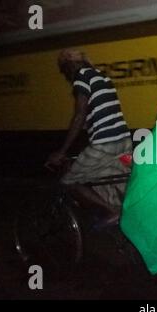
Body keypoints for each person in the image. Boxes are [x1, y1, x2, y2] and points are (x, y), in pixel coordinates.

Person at [45, 48, 132, 227]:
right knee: (107, 180)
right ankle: (125, 215)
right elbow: (96, 117)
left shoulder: (82, 76)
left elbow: (79, 114)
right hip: (123, 142)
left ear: (70, 65)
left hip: (105, 144)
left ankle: (111, 212)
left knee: (69, 182)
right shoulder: (101, 76)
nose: (65, 75)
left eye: (64, 70)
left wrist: (62, 151)